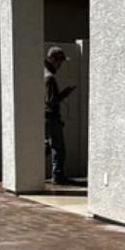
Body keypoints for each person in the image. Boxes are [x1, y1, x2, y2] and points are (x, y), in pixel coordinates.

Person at [44, 47, 75, 184]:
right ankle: (57, 175)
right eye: (59, 62)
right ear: (51, 59)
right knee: (58, 148)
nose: (60, 65)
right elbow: (51, 101)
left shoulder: (42, 73)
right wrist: (65, 93)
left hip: (45, 117)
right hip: (50, 117)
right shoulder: (49, 78)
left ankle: (31, 167)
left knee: (48, 146)